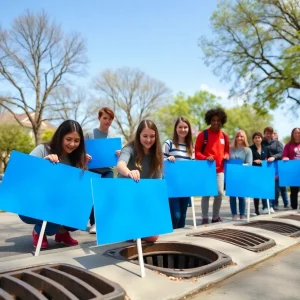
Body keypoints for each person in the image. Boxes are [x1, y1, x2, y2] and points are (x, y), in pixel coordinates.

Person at [19, 120, 87, 249]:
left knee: (82, 210)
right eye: (68, 139)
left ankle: (62, 232)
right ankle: (38, 232)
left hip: (60, 202)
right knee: (51, 224)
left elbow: (80, 187)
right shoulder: (43, 150)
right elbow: (24, 172)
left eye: (77, 140)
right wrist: (44, 164)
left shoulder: (78, 158)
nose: (72, 144)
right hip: (34, 202)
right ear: (60, 136)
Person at [117, 119, 163, 242]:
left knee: (153, 237)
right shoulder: (129, 149)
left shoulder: (157, 153)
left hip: (143, 195)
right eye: (145, 136)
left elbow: (157, 180)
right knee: (129, 237)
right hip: (126, 193)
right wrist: (129, 172)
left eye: (152, 136)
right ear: (139, 136)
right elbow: (120, 164)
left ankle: (137, 228)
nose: (148, 140)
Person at [85, 107, 120, 234]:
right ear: (99, 118)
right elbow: (82, 151)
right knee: (94, 197)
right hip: (92, 170)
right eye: (105, 118)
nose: (107, 121)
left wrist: (118, 154)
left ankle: (104, 222)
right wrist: (85, 156)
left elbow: (118, 156)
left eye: (110, 119)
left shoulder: (114, 136)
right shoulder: (90, 134)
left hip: (108, 170)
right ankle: (94, 223)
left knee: (105, 196)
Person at [195, 108, 230, 224]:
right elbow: (197, 153)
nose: (216, 122)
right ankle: (205, 218)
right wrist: (205, 157)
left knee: (220, 193)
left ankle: (215, 217)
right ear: (209, 121)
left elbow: (227, 151)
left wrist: (226, 155)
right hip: (207, 169)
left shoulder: (225, 137)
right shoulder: (202, 135)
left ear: (222, 121)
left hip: (220, 169)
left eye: (218, 120)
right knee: (206, 194)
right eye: (213, 120)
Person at [163, 117, 193, 229]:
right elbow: (159, 161)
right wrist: (167, 159)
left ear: (189, 129)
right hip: (171, 186)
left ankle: (179, 239)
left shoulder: (191, 146)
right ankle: (169, 236)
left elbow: (193, 167)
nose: (183, 129)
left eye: (185, 127)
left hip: (185, 187)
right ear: (176, 128)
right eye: (180, 127)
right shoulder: (168, 143)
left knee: (183, 217)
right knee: (175, 216)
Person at [229, 130, 253, 220]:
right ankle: (234, 214)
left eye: (241, 136)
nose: (239, 138)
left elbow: (249, 164)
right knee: (232, 196)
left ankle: (242, 214)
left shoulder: (248, 150)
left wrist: (239, 165)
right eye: (238, 136)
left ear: (244, 138)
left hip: (242, 175)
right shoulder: (230, 149)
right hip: (232, 175)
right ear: (235, 138)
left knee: (241, 196)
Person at [262, 126, 283, 213]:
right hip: (264, 167)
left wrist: (274, 157)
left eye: (270, 133)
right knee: (265, 187)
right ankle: (265, 206)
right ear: (264, 133)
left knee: (275, 189)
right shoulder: (261, 142)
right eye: (267, 133)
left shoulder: (277, 143)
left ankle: (272, 205)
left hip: (275, 167)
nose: (268, 135)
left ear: (272, 134)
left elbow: (281, 153)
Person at [249, 132, 268, 215]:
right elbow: (248, 160)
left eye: (259, 137)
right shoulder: (250, 149)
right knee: (256, 191)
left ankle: (267, 207)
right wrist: (254, 161)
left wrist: (264, 161)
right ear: (253, 139)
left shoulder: (265, 148)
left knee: (264, 189)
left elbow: (268, 158)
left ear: (261, 138)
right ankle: (256, 210)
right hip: (254, 172)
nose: (257, 139)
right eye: (256, 137)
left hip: (263, 172)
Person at [282, 127, 300, 209]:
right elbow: (284, 156)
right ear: (292, 134)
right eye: (295, 133)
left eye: (298, 133)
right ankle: (294, 206)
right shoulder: (288, 145)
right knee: (294, 189)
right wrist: (285, 158)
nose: (297, 134)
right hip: (293, 170)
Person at [273, 131, 290, 209]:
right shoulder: (270, 146)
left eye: (276, 137)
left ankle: (286, 203)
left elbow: (284, 155)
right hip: (274, 168)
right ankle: (275, 204)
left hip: (281, 168)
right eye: (273, 137)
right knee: (276, 189)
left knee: (283, 188)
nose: (275, 138)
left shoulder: (281, 144)